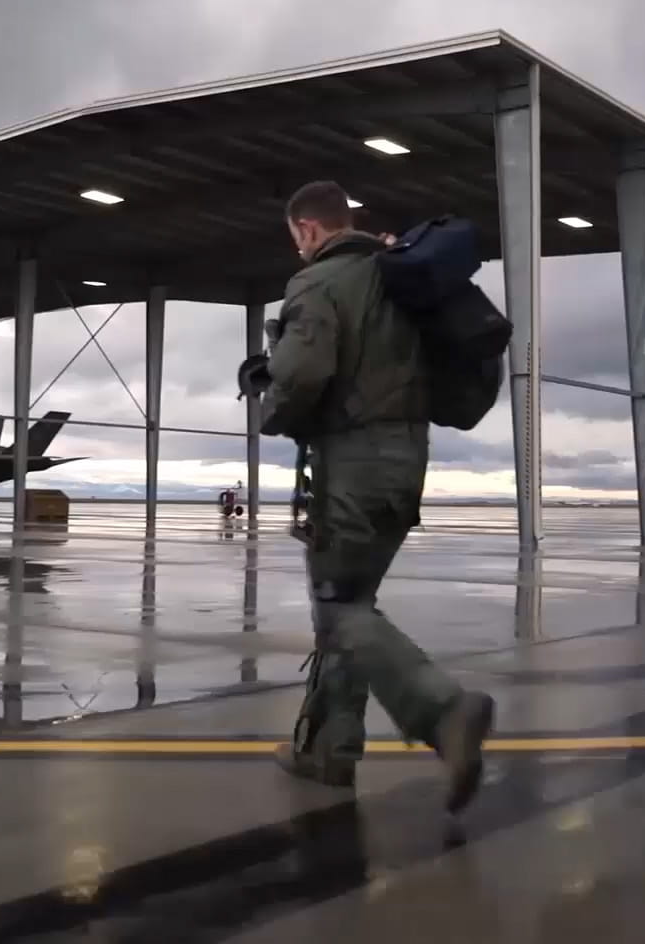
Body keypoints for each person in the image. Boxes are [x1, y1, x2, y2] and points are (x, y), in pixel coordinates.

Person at [257, 178, 496, 813]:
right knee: (347, 604)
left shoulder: (318, 282)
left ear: (308, 229)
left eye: (296, 238)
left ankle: (443, 711)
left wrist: (268, 402)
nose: (298, 249)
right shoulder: (395, 275)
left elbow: (303, 376)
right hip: (407, 460)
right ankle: (326, 753)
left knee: (341, 609)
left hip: (352, 464)